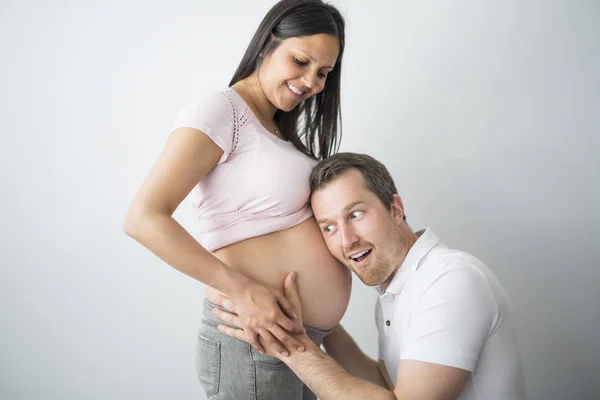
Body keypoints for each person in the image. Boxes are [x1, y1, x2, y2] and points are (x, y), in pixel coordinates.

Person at [123, 1, 351, 399]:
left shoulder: (278, 130)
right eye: (300, 61)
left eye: (323, 73)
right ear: (267, 43)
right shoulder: (222, 109)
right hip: (252, 338)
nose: (312, 82)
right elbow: (143, 218)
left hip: (296, 339)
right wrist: (244, 290)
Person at [215, 153, 527, 399]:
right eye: (329, 227)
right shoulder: (398, 292)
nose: (346, 239)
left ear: (395, 208)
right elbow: (386, 384)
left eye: (355, 215)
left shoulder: (450, 281)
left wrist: (293, 347)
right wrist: (320, 324)